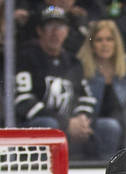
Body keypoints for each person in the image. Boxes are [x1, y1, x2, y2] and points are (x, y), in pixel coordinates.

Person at [16, 5, 116, 160]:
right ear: (40, 31)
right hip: (39, 124)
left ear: (67, 31)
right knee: (49, 125)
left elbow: (86, 98)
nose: (55, 32)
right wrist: (65, 123)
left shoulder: (73, 62)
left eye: (60, 27)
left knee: (109, 127)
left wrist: (81, 119)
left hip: (70, 124)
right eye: (50, 26)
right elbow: (23, 101)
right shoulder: (27, 58)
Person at [76, 19, 126, 155]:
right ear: (92, 44)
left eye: (109, 39)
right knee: (110, 127)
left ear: (116, 43)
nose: (104, 44)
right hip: (92, 125)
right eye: (99, 40)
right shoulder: (82, 67)